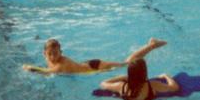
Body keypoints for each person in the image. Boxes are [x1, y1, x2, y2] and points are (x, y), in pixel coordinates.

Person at [24, 37, 166, 75]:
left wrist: (31, 68)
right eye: (50, 54)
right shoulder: (49, 59)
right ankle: (151, 45)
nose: (53, 57)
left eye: (55, 53)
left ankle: (151, 45)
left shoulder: (61, 64)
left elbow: (48, 72)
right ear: (44, 53)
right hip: (86, 64)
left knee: (127, 63)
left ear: (61, 52)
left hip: (95, 67)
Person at [99, 58, 180, 100]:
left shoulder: (121, 86)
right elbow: (175, 88)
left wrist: (122, 77)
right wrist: (166, 76)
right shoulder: (152, 85)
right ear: (144, 72)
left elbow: (103, 83)